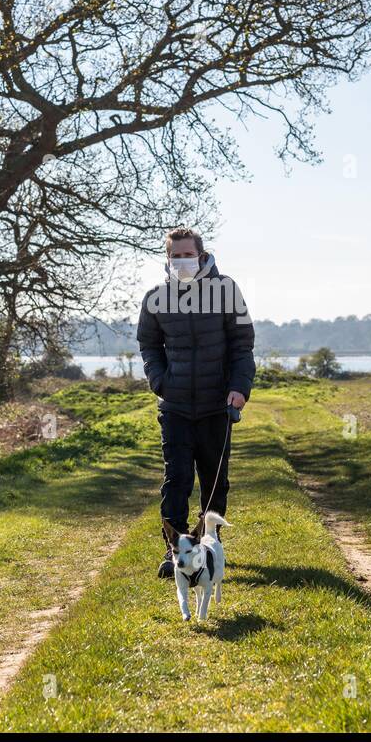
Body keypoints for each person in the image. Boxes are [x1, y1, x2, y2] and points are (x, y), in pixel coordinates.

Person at [136, 227, 255, 578]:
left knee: (215, 481)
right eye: (176, 256)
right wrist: (160, 382)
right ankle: (173, 553)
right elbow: (148, 345)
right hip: (175, 407)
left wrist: (239, 388)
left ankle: (209, 547)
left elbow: (242, 347)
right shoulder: (155, 297)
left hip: (217, 405)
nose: (183, 261)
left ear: (202, 256)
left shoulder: (226, 291)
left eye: (189, 255)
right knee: (177, 479)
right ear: (168, 258)